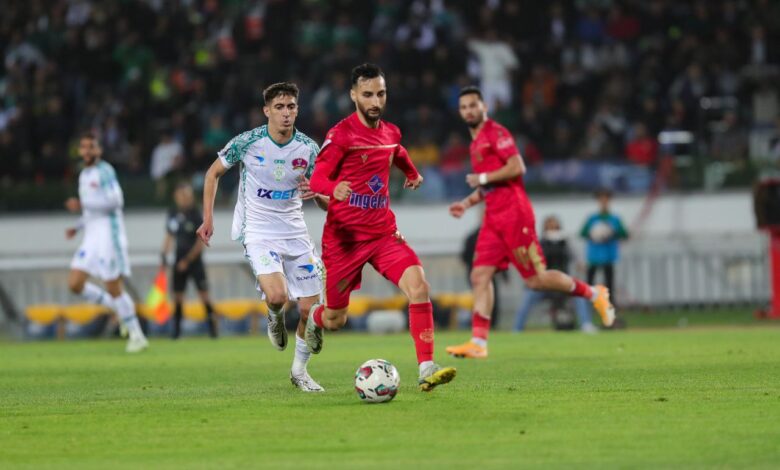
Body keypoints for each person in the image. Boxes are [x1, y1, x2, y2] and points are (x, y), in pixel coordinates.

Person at [307, 63, 456, 392]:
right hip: (344, 240)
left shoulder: (390, 132)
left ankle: (426, 366)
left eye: (381, 94)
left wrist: (412, 172)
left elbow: (397, 151)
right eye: (368, 95)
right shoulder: (341, 135)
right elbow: (318, 177)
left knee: (419, 286)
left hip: (382, 234)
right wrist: (334, 189)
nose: (375, 101)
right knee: (336, 319)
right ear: (353, 95)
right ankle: (316, 318)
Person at [446, 86, 615, 359]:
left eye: (473, 105)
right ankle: (479, 341)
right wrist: (466, 204)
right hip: (492, 218)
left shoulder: (496, 133)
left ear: (483, 107)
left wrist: (484, 179)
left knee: (536, 280)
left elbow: (516, 167)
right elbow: (488, 184)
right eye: (464, 107)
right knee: (479, 275)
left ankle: (594, 293)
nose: (469, 111)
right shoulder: (475, 143)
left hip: (514, 214)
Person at [197, 82, 328, 392]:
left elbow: (326, 201)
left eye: (291, 107)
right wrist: (208, 218)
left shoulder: (310, 149)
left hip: (295, 233)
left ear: (298, 110)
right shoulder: (248, 142)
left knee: (312, 311)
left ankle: (300, 372)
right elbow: (212, 173)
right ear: (266, 110)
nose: (286, 113)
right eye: (279, 107)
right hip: (259, 231)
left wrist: (318, 195)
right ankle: (274, 315)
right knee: (278, 296)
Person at [65, 133, 148, 353]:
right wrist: (78, 225)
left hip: (109, 236)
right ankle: (117, 309)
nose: (87, 151)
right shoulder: (84, 174)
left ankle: (137, 335)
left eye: (91, 147)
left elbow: (115, 201)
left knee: (113, 287)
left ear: (99, 150)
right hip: (91, 237)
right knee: (75, 283)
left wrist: (83, 203)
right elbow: (90, 211)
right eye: (83, 147)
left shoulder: (105, 171)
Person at [514, 216, 596, 333]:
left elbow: (577, 259)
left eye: (554, 226)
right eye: (549, 226)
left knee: (580, 295)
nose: (552, 229)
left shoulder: (565, 243)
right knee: (527, 298)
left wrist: (581, 265)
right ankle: (517, 329)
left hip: (562, 283)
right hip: (544, 285)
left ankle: (586, 324)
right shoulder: (539, 243)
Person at [161, 182, 218, 339]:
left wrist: (188, 260)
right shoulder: (172, 213)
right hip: (178, 260)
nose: (185, 198)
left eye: (187, 195)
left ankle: (213, 329)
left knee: (204, 295)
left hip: (194, 261)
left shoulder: (195, 214)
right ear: (176, 197)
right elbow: (169, 235)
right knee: (177, 296)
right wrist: (163, 255)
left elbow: (200, 241)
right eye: (182, 195)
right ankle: (176, 332)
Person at [580, 189, 629, 307]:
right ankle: (587, 309)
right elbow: (582, 233)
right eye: (601, 198)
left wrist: (612, 233)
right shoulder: (592, 218)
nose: (603, 201)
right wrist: (593, 234)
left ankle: (610, 309)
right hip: (594, 256)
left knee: (609, 285)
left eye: (606, 198)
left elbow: (625, 234)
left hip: (609, 256)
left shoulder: (615, 219)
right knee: (590, 283)